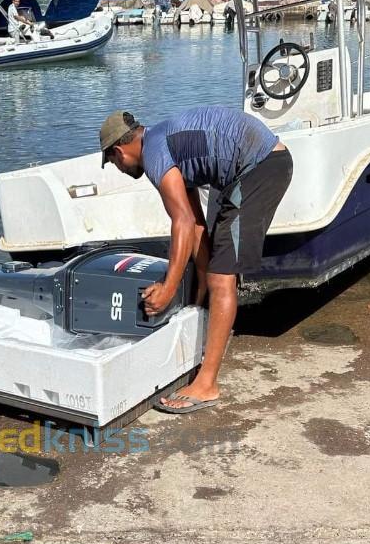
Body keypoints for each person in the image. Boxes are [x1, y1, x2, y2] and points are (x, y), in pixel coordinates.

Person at [99, 106, 293, 415]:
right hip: (256, 167)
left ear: (119, 152)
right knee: (214, 272)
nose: (119, 168)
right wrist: (200, 273)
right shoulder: (166, 144)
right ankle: (207, 346)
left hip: (262, 167)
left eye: (112, 162)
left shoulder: (154, 154)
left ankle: (206, 384)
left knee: (222, 277)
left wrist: (168, 288)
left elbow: (182, 223)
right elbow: (196, 221)